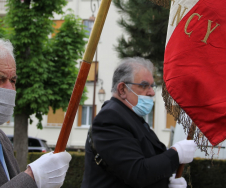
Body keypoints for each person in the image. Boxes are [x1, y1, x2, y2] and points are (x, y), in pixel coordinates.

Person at [82, 57, 197, 188]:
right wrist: (176, 153)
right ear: (122, 89)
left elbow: (150, 162)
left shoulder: (131, 117)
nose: (152, 92)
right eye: (144, 85)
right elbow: (137, 172)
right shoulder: (109, 119)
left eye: (152, 86)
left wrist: (167, 181)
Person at [0, 38, 71, 188]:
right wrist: (33, 176)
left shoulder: (2, 139)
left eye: (13, 80)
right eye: (1, 79)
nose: (9, 89)